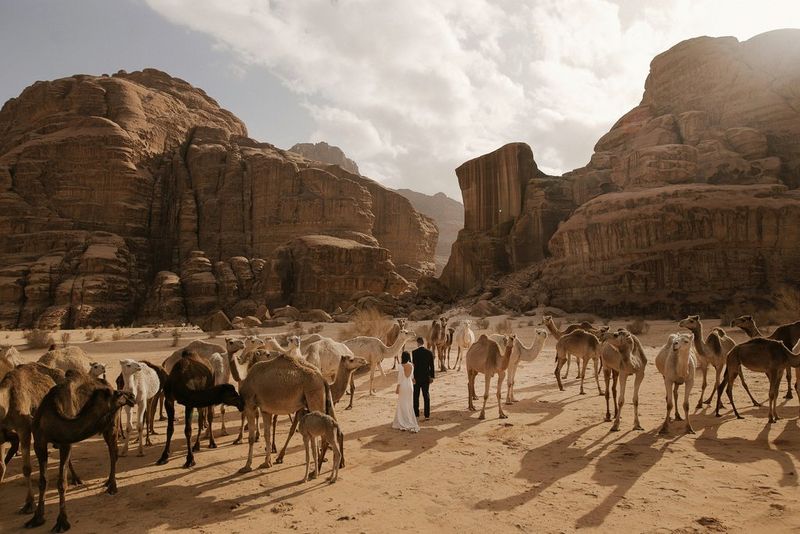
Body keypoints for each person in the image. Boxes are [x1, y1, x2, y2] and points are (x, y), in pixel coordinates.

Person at [392, 351, 419, 432]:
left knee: (402, 403)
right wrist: (414, 382)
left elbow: (400, 378)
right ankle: (409, 420)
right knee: (409, 403)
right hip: (410, 386)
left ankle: (402, 421)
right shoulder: (411, 365)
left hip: (403, 385)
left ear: (402, 357)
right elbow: (412, 377)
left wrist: (397, 388)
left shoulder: (400, 366)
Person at [411, 336, 435, 420]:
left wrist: (413, 377)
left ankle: (416, 414)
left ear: (417, 343)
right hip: (426, 378)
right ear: (423, 343)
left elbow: (413, 366)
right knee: (426, 396)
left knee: (416, 396)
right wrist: (432, 377)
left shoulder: (414, 352)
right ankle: (427, 415)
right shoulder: (429, 352)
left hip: (416, 378)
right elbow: (432, 366)